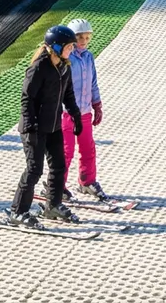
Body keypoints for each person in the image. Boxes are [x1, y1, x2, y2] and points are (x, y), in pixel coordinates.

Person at [4, 25, 84, 228]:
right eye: (69, 46)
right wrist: (30, 123)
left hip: (53, 125)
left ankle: (53, 205)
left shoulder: (64, 66)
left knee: (59, 165)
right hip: (35, 128)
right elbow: (27, 98)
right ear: (55, 47)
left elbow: (68, 94)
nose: (72, 50)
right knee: (34, 169)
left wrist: (76, 115)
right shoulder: (38, 68)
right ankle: (17, 211)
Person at [61, 17, 108, 201]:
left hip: (85, 112)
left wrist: (97, 105)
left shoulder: (88, 57)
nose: (84, 41)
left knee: (88, 148)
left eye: (87, 37)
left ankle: (87, 181)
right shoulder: (66, 58)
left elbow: (93, 83)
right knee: (66, 151)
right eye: (80, 37)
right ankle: (57, 185)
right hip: (66, 113)